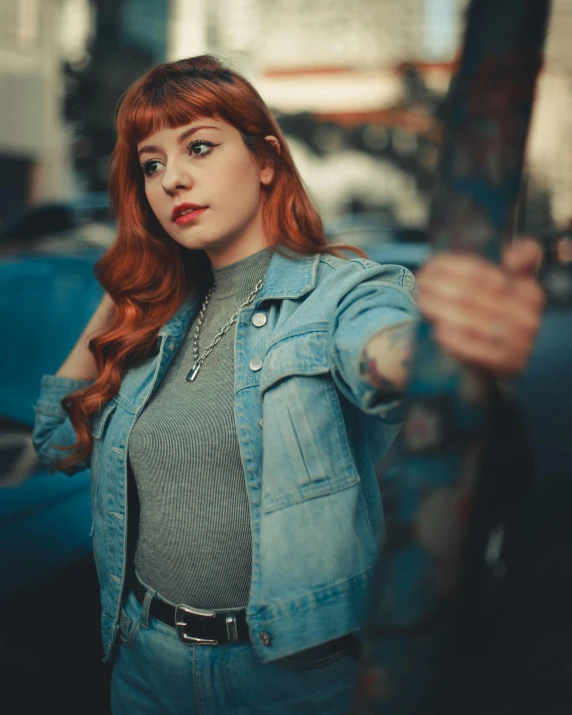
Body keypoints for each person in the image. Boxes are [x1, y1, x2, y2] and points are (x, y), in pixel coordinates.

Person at [31, 55, 545, 715]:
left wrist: (443, 348)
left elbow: (384, 348)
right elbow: (53, 440)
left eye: (199, 147)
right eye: (151, 164)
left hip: (289, 679)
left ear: (266, 159)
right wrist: (123, 288)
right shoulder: (158, 320)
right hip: (142, 666)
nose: (172, 179)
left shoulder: (339, 292)